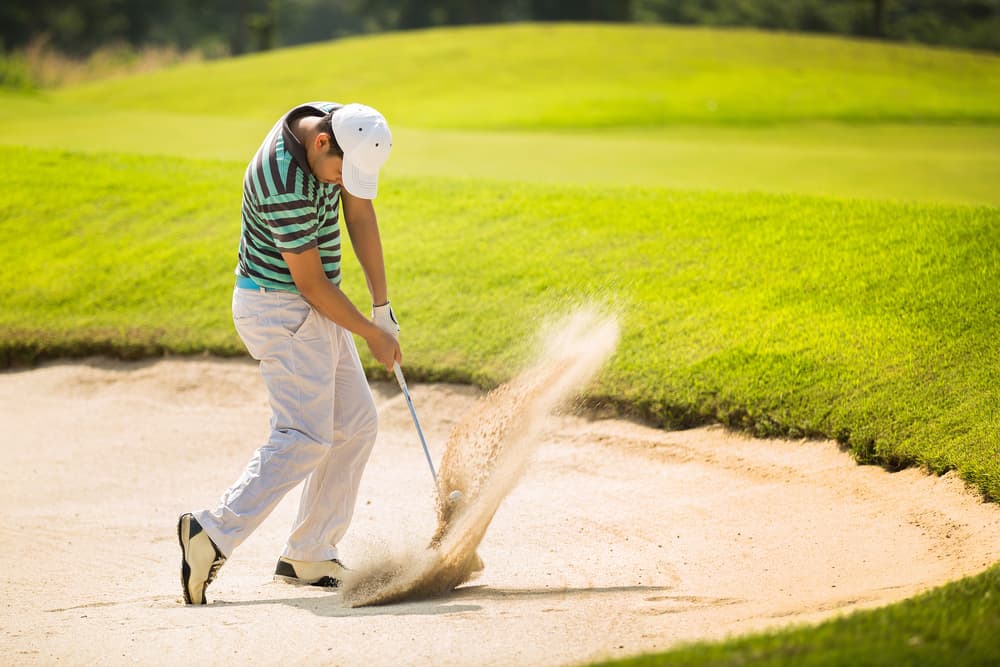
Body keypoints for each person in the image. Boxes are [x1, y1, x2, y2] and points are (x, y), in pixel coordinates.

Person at [177, 102, 402, 605]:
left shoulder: (338, 126)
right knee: (304, 435)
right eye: (343, 172)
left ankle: (310, 552)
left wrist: (381, 306)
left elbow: (359, 213)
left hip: (312, 306)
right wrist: (369, 331)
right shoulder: (282, 180)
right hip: (279, 308)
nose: (346, 182)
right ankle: (210, 534)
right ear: (322, 145)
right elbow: (311, 283)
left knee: (357, 423)